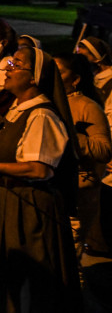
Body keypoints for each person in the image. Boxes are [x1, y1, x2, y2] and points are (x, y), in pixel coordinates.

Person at [0, 47, 80, 312]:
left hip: (28, 209)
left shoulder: (42, 115)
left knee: (31, 287)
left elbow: (40, 169)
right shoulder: (13, 109)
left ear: (34, 77)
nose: (8, 68)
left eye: (16, 64)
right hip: (5, 203)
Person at [55, 52, 112, 262]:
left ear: (76, 79)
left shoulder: (86, 106)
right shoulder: (49, 103)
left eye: (59, 72)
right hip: (53, 193)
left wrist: (71, 136)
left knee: (67, 257)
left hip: (77, 195)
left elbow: (104, 150)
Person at [76, 36, 112, 101]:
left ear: (96, 58)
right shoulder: (90, 74)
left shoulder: (109, 79)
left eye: (83, 57)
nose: (79, 60)